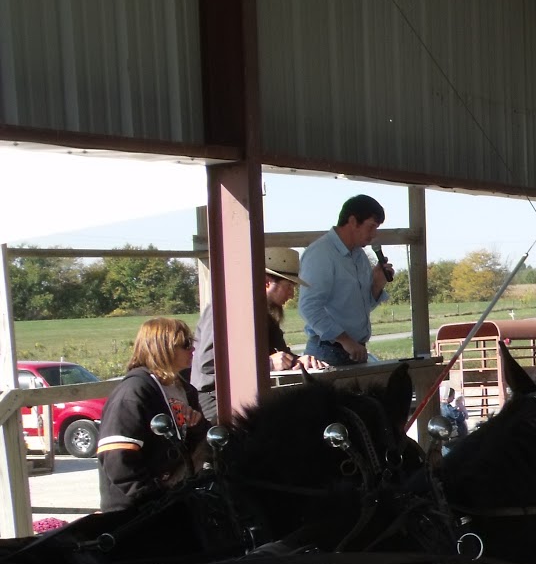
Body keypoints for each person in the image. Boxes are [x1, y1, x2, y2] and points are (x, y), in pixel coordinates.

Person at [191, 247, 327, 421]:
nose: (292, 294)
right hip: (214, 398)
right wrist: (267, 364)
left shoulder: (266, 313)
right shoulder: (224, 309)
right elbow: (208, 364)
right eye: (289, 286)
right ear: (267, 282)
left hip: (247, 393)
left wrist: (298, 361)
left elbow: (280, 353)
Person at [97, 317, 209, 512]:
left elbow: (193, 446)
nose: (192, 349)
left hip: (172, 499)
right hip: (132, 511)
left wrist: (197, 425)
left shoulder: (185, 390)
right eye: (185, 344)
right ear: (162, 348)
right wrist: (153, 499)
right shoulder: (133, 392)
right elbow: (117, 457)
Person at [299, 194, 390, 366]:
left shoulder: (360, 256)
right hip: (327, 351)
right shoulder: (321, 254)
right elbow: (309, 307)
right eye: (371, 227)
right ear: (353, 221)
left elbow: (360, 306)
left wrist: (377, 285)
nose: (374, 235)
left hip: (353, 349)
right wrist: (345, 340)